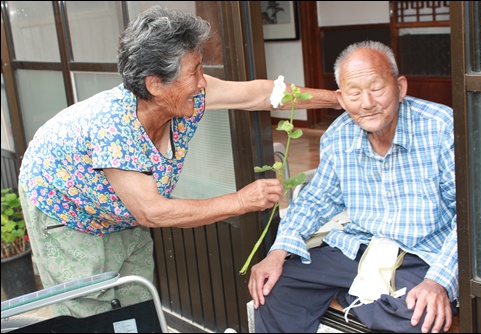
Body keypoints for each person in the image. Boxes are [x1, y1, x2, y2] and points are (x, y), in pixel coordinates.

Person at [17, 6, 340, 317]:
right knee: (88, 311)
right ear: (155, 84)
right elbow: (152, 211)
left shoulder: (190, 92)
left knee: (138, 297)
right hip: (63, 206)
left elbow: (259, 94)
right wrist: (241, 200)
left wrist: (339, 99)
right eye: (194, 71)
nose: (202, 81)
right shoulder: (113, 127)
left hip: (119, 210)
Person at [249, 40, 458, 333]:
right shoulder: (338, 136)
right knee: (274, 290)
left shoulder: (440, 127)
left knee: (421, 318)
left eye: (377, 88)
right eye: (354, 93)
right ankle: (360, 296)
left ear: (400, 87)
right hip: (358, 247)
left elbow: (470, 219)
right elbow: (316, 200)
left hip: (421, 253)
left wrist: (439, 281)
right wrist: (277, 251)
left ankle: (354, 296)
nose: (367, 103)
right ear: (341, 98)